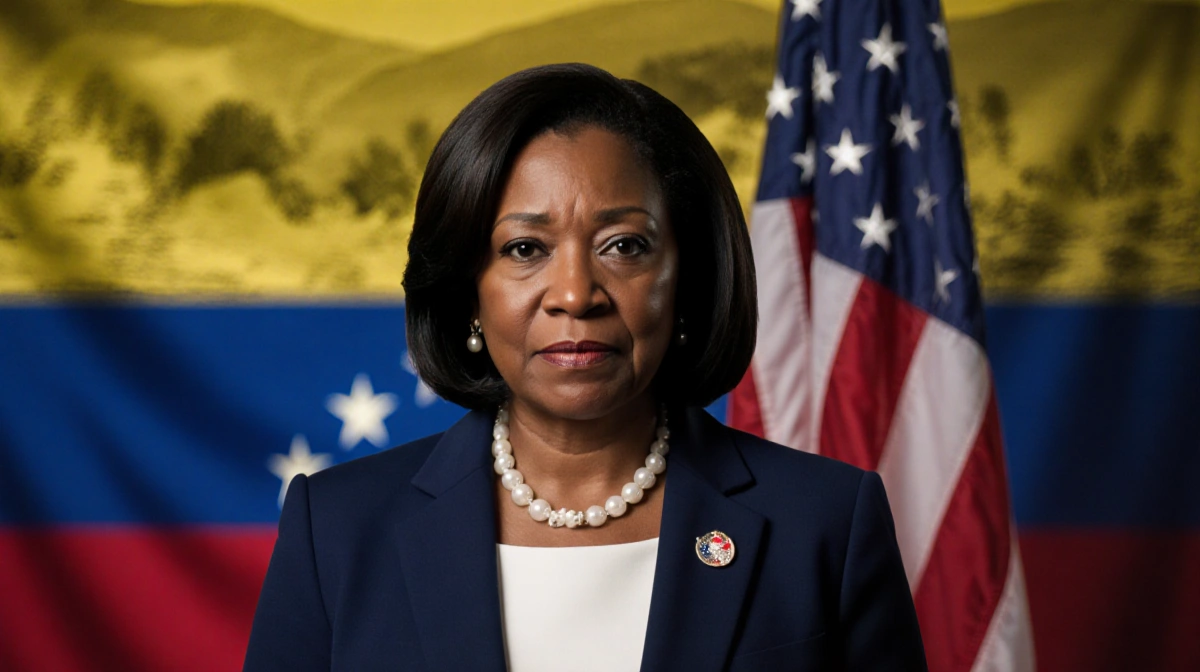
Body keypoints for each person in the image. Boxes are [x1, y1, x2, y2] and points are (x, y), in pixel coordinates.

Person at [244, 63, 926, 672]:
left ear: (686, 279)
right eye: (524, 249)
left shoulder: (825, 525)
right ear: (467, 292)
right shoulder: (336, 529)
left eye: (623, 245)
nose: (575, 294)